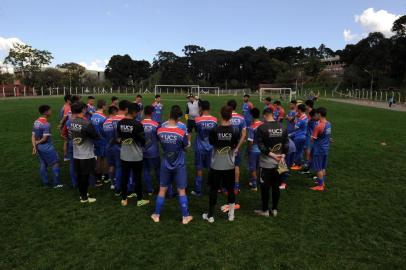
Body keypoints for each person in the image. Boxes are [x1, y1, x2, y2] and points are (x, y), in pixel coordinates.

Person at [151, 106, 193, 225]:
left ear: (169, 114)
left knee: (162, 189)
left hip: (165, 163)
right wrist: (187, 143)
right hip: (179, 164)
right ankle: (185, 217)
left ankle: (157, 215)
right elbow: (186, 146)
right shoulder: (180, 132)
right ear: (179, 118)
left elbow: (159, 141)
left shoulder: (160, 130)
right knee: (181, 190)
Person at [202, 106, 240, 223]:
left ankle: (211, 215)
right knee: (230, 188)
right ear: (231, 116)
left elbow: (212, 143)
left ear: (220, 115)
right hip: (229, 165)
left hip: (216, 165)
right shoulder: (235, 130)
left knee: (214, 189)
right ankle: (231, 215)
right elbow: (234, 144)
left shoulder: (215, 130)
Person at [255, 108, 289, 217]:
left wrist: (273, 155)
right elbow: (286, 144)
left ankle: (265, 210)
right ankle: (274, 209)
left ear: (264, 115)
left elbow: (261, 146)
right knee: (276, 186)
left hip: (267, 163)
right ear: (273, 114)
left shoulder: (261, 128)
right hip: (281, 162)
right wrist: (282, 155)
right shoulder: (282, 126)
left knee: (265, 187)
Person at [117, 103, 150, 206]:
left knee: (125, 177)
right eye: (138, 112)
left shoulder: (120, 123)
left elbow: (118, 138)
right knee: (137, 178)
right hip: (136, 156)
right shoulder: (137, 124)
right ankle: (139, 200)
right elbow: (143, 141)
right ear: (134, 112)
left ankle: (124, 199)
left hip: (124, 154)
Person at [69, 102, 99, 203]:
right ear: (83, 110)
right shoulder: (86, 123)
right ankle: (84, 197)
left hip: (76, 152)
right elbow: (95, 136)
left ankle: (83, 194)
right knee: (85, 176)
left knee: (80, 175)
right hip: (86, 153)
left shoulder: (71, 121)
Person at [32, 105, 63, 188]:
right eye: (50, 110)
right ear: (45, 112)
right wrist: (38, 142)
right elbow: (45, 138)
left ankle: (45, 183)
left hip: (39, 148)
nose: (51, 111)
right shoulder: (46, 124)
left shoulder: (36, 122)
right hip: (47, 147)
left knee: (43, 163)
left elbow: (33, 136)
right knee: (56, 163)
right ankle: (56, 183)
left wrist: (35, 146)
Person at [191, 100, 217, 196]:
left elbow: (196, 130)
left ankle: (198, 190)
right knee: (211, 168)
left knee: (199, 169)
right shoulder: (214, 120)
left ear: (200, 108)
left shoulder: (197, 120)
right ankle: (211, 187)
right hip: (210, 147)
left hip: (200, 147)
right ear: (209, 108)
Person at [110, 100, 130, 196]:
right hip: (125, 146)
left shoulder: (113, 118)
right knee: (128, 168)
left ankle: (118, 189)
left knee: (118, 167)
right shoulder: (126, 119)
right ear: (126, 109)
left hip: (116, 145)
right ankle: (128, 188)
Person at [310, 107, 332, 191]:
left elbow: (312, 139)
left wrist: (312, 136)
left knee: (318, 168)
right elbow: (327, 136)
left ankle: (320, 186)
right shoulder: (329, 124)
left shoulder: (318, 126)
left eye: (316, 114)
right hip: (325, 149)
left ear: (319, 114)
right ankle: (322, 182)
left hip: (318, 149)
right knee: (323, 167)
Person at [227, 99, 246, 193]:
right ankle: (236, 186)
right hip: (237, 145)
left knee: (226, 165)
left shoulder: (226, 117)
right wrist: (238, 147)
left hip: (227, 145)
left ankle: (226, 185)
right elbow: (244, 135)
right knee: (237, 165)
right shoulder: (241, 118)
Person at [141, 105, 161, 195]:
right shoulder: (156, 124)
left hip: (143, 151)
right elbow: (159, 138)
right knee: (157, 169)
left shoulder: (139, 123)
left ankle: (149, 189)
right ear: (152, 113)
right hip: (154, 152)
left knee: (145, 170)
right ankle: (162, 188)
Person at [90, 99, 108, 186]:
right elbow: (105, 131)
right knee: (103, 158)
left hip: (95, 140)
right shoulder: (104, 118)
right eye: (106, 105)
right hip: (103, 140)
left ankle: (97, 177)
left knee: (98, 158)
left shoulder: (93, 116)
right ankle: (104, 176)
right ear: (103, 106)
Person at [102, 105, 119, 190]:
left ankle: (112, 183)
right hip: (116, 146)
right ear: (114, 112)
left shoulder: (105, 122)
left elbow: (103, 134)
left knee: (111, 165)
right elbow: (117, 135)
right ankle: (118, 182)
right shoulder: (115, 121)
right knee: (118, 165)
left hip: (107, 146)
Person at [247, 108, 263, 191]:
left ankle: (254, 185)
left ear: (251, 116)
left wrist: (248, 151)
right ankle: (260, 181)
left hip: (254, 150)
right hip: (262, 149)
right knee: (259, 167)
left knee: (252, 167)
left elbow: (250, 142)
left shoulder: (251, 127)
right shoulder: (263, 124)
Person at [290, 104, 308, 171]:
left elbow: (295, 127)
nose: (296, 110)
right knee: (300, 151)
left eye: (297, 108)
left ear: (300, 110)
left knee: (298, 151)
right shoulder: (305, 116)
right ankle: (298, 163)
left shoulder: (301, 118)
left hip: (299, 136)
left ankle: (298, 164)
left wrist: (296, 118)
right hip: (303, 135)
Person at [301, 109, 317, 174]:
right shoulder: (313, 122)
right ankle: (309, 168)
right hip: (313, 139)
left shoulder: (312, 122)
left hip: (312, 139)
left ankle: (310, 168)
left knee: (311, 154)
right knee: (312, 154)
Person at [59, 94, 72, 161]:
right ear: (68, 100)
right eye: (71, 99)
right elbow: (64, 118)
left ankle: (66, 155)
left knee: (66, 141)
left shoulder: (64, 106)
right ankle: (66, 156)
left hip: (64, 126)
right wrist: (60, 125)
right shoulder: (67, 107)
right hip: (65, 127)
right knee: (66, 141)